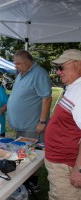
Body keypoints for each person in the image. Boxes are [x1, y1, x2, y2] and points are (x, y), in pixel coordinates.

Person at [7, 50, 52, 189]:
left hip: (32, 125)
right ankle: (25, 180)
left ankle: (33, 183)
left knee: (32, 154)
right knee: (22, 153)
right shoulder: (22, 74)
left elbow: (47, 98)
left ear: (27, 62)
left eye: (18, 63)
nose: (16, 66)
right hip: (22, 125)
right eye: (15, 64)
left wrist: (42, 121)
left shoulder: (39, 74)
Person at [45, 49, 81, 200]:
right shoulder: (74, 87)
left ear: (78, 65)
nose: (58, 72)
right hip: (61, 162)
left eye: (62, 67)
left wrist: (79, 170)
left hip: (66, 164)